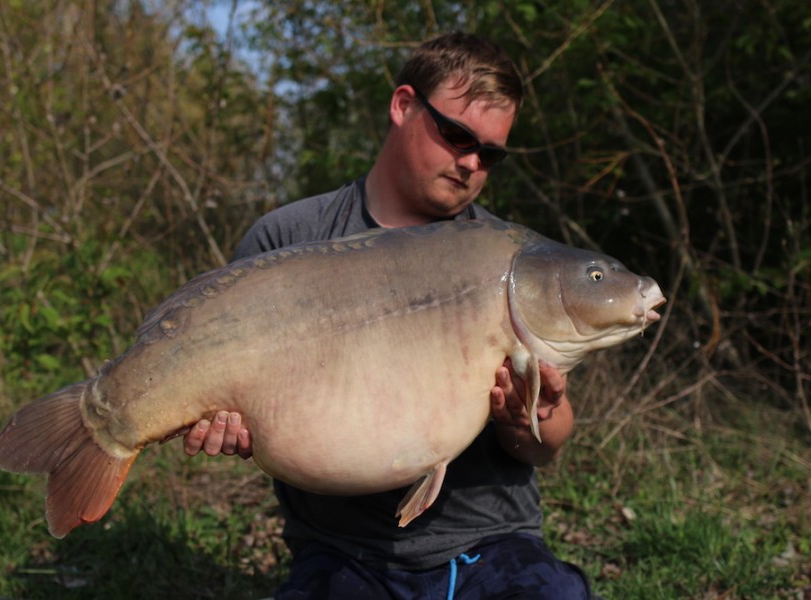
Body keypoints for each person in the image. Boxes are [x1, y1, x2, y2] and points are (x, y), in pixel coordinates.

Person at [184, 32, 593, 599]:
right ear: (403, 105)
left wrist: (528, 418)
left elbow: (549, 445)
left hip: (493, 542)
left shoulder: (510, 261)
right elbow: (242, 409)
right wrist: (229, 424)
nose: (472, 162)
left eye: (491, 154)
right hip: (343, 551)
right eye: (456, 135)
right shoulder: (289, 239)